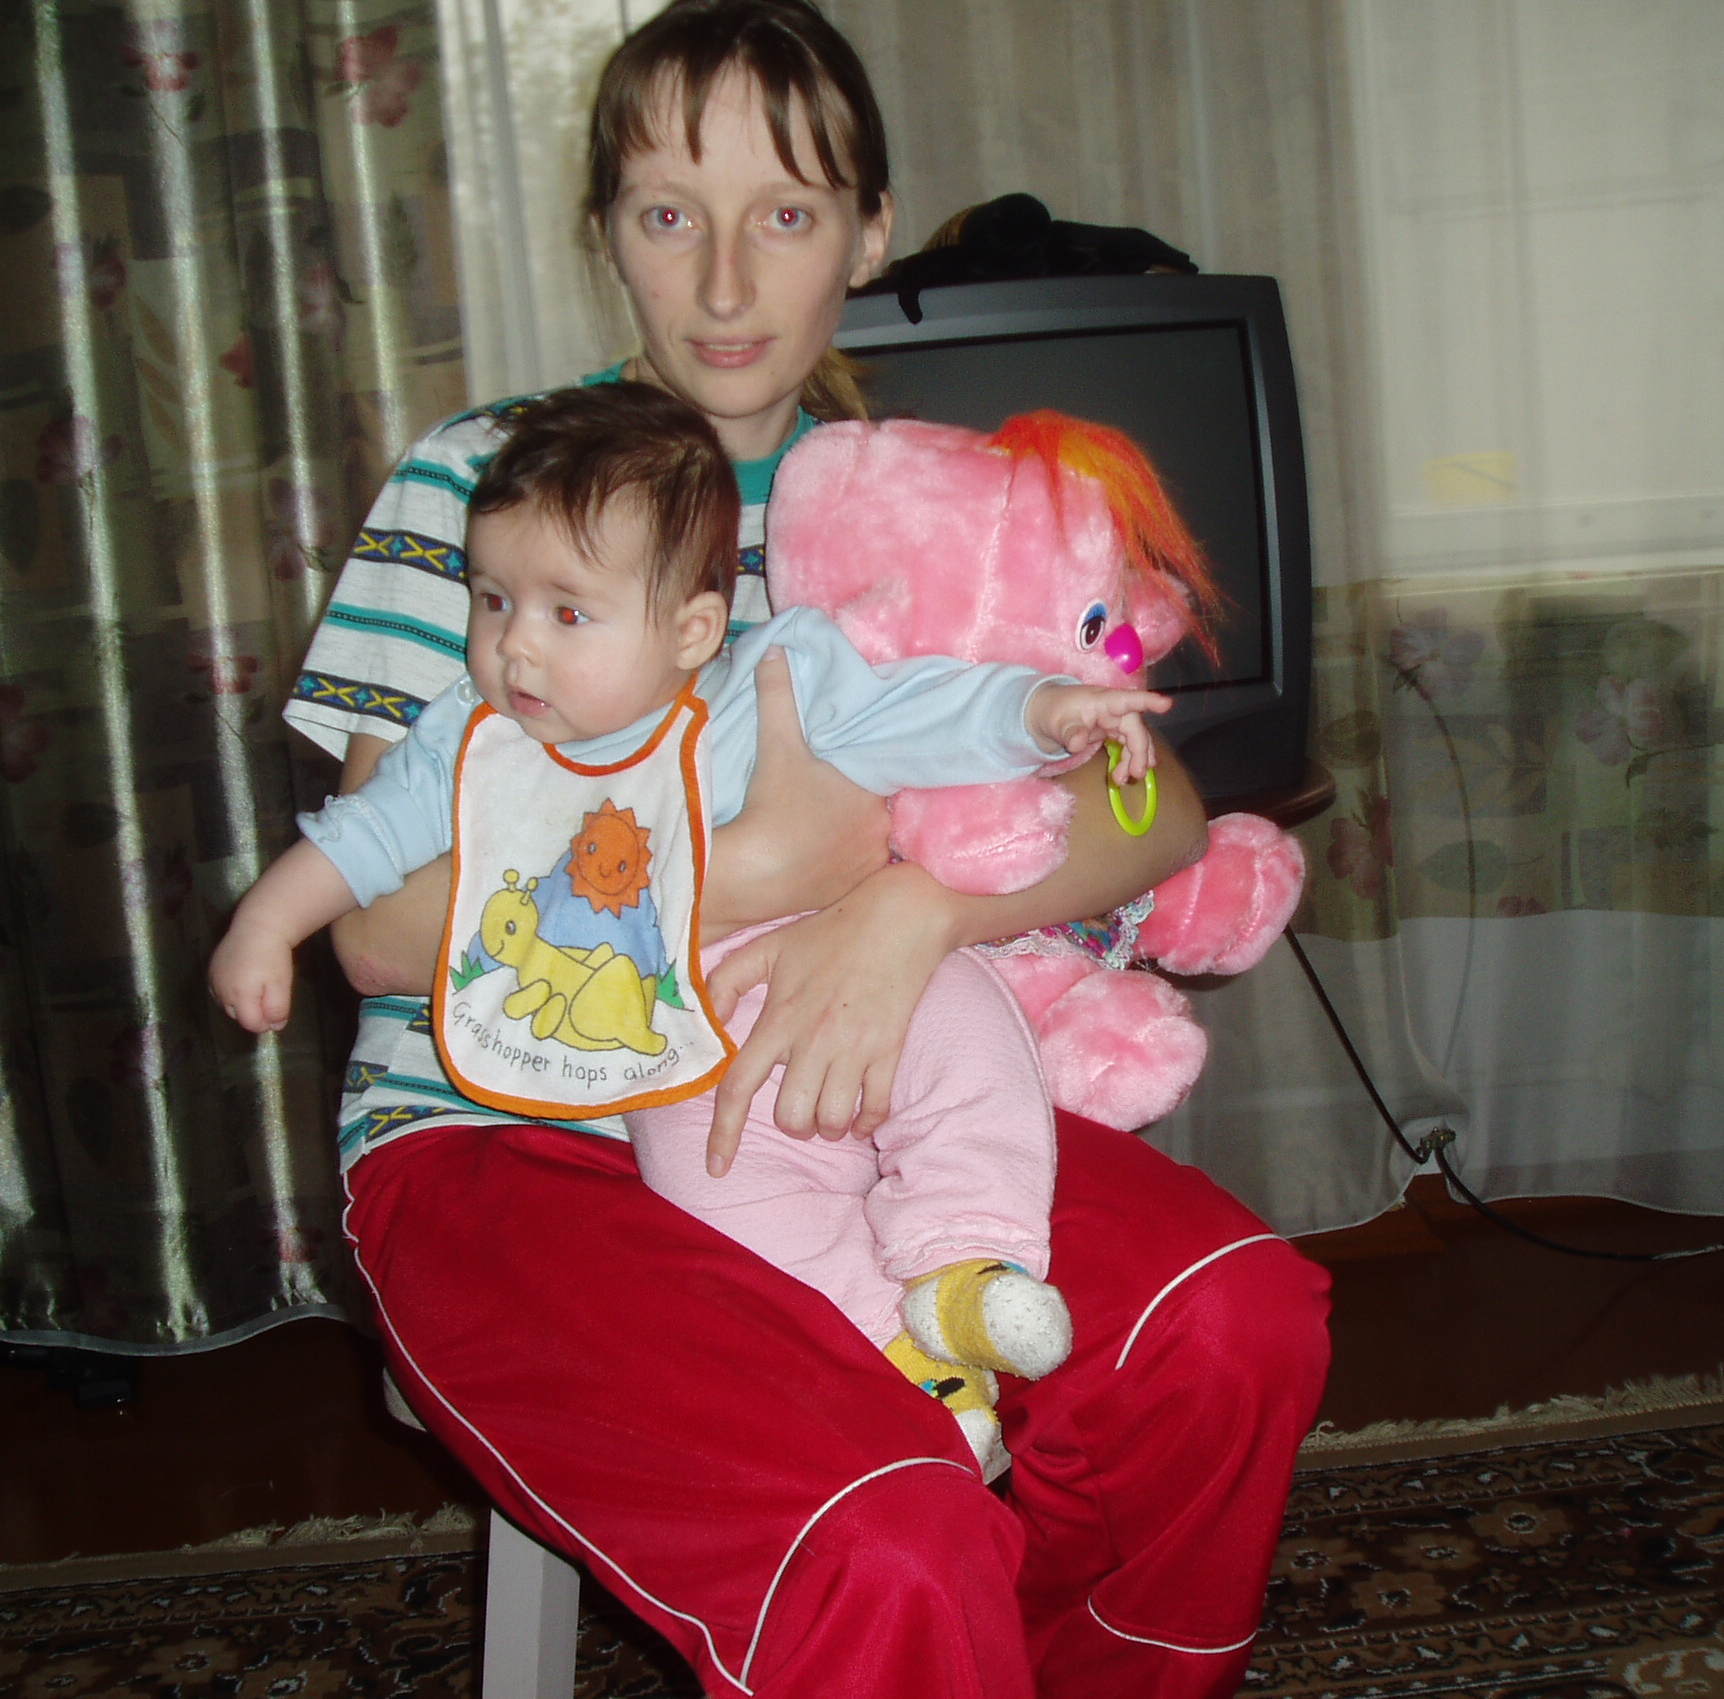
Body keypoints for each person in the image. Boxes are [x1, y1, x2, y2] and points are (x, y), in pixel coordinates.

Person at [281, 0, 1332, 1694]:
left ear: (868, 228)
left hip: (859, 1095)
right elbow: (378, 932)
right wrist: (769, 874)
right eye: (667, 214)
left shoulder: (947, 495)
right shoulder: (491, 487)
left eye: (782, 214)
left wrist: (912, 905)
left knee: (1231, 1325)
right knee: (884, 1534)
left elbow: (1163, 805)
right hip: (507, 1123)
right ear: (604, 231)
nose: (722, 283)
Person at [222, 382, 1178, 1478]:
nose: (514, 648)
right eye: (491, 602)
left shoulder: (773, 679)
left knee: (968, 1034)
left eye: (565, 613)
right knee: (715, 1188)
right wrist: (266, 922)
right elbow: (362, 840)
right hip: (686, 1050)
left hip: (842, 983)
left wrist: (1043, 712)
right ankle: (912, 1359)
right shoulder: (470, 741)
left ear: (692, 629)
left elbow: (922, 707)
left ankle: (971, 1260)